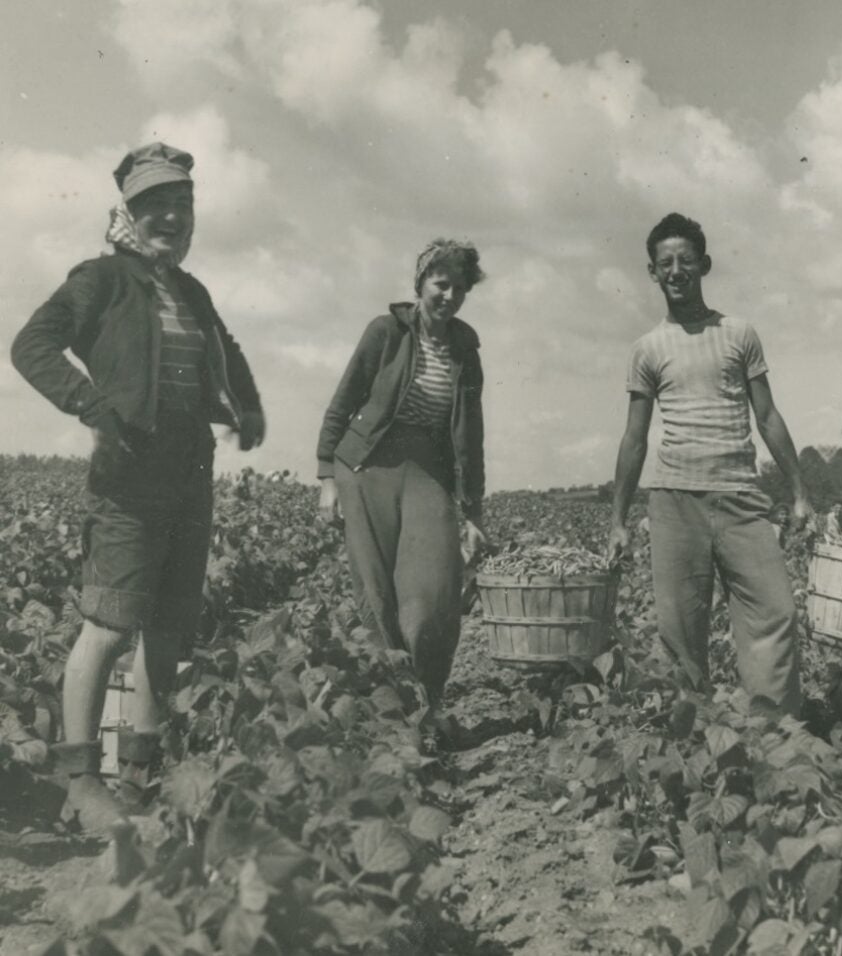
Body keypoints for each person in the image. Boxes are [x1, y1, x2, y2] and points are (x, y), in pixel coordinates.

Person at [11, 143, 265, 832]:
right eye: (156, 207)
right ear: (129, 213)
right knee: (108, 624)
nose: (171, 219)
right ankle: (80, 780)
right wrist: (90, 404)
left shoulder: (191, 291)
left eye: (182, 208)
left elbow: (228, 350)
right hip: (127, 478)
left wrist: (249, 406)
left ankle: (139, 776)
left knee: (169, 629)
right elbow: (31, 345)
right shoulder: (101, 280)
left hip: (190, 472)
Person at [606, 213, 811, 717]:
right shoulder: (647, 348)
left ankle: (772, 730)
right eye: (665, 263)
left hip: (741, 495)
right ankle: (693, 738)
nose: (676, 270)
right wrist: (617, 519)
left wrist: (800, 491)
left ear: (705, 265)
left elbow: (766, 416)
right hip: (674, 499)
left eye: (686, 261)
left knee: (776, 610)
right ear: (652, 273)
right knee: (681, 630)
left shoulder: (739, 334)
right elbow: (634, 438)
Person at [316, 238, 486, 743]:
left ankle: (428, 708)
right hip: (366, 467)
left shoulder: (466, 348)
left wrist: (473, 510)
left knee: (434, 597)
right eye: (441, 283)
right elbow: (343, 400)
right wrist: (326, 474)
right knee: (376, 597)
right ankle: (393, 721)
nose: (449, 295)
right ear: (420, 283)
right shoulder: (385, 331)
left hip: (427, 472)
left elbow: (470, 436)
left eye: (460, 287)